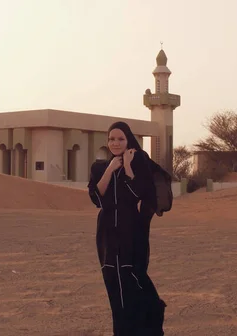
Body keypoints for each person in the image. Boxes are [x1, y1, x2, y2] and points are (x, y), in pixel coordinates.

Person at [87, 121, 167, 336]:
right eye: (111, 139)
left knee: (132, 280)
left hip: (131, 231)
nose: (115, 143)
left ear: (129, 140)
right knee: (113, 282)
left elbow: (136, 195)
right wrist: (111, 169)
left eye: (120, 139)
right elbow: (97, 199)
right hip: (106, 233)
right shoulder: (99, 167)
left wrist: (129, 167)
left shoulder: (139, 162)